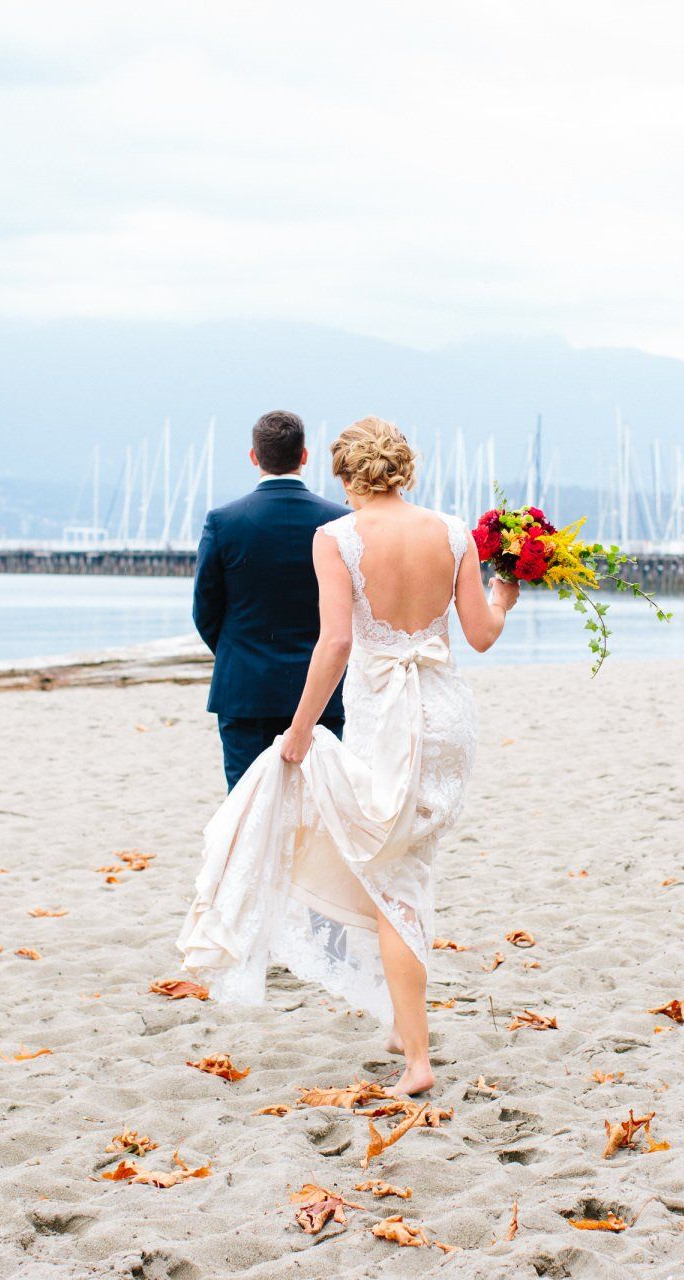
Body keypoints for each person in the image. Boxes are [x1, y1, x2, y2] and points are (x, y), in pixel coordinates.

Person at [179, 417, 521, 1096]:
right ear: (405, 468)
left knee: (390, 878)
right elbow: (480, 634)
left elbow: (335, 644)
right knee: (407, 867)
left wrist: (302, 730)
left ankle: (417, 1059)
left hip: (387, 718)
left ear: (345, 474)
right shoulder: (451, 532)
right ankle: (403, 1020)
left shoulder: (336, 539)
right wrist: (505, 590)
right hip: (447, 716)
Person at [193, 410, 350, 790]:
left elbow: (205, 609)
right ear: (305, 456)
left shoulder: (224, 521)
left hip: (245, 688)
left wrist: (238, 652)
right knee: (317, 809)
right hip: (322, 690)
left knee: (246, 805)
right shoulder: (339, 521)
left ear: (254, 456)